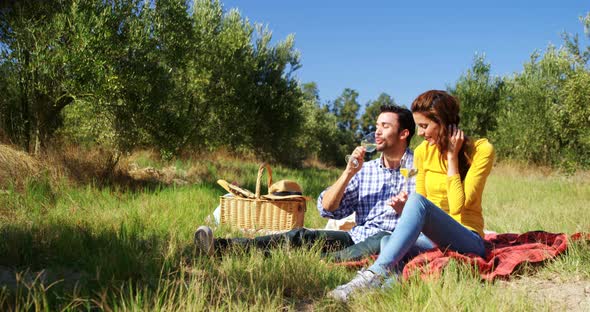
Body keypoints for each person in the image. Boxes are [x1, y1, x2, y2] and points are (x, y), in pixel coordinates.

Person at [194, 104, 432, 261]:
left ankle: (325, 263)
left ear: (403, 134)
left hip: (393, 240)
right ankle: (222, 247)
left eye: (385, 126)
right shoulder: (365, 170)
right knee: (301, 237)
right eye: (376, 126)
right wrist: (348, 173)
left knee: (366, 244)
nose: (377, 132)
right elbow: (326, 210)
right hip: (356, 237)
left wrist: (408, 209)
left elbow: (433, 214)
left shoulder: (422, 167)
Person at [328, 90, 495, 301]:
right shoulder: (423, 151)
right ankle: (385, 293)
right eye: (419, 127)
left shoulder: (481, 150)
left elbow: (458, 207)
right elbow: (423, 200)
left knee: (414, 206)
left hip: (468, 238)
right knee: (387, 240)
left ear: (443, 122)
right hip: (433, 239)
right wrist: (406, 209)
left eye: (425, 126)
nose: (421, 134)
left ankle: (370, 276)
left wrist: (452, 158)